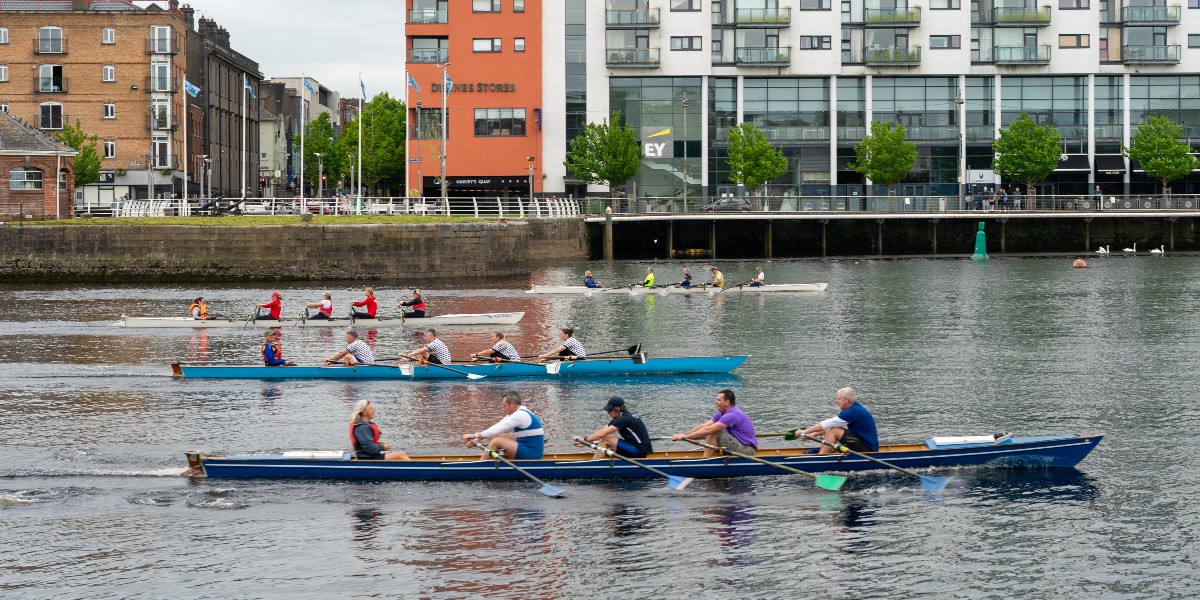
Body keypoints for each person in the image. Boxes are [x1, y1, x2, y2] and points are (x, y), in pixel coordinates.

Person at [671, 389, 757, 457]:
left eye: (718, 400)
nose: (716, 402)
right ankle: (708, 456)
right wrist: (684, 434)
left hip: (747, 450)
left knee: (715, 431)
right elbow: (705, 425)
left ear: (727, 402)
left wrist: (686, 437)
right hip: (737, 444)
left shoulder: (733, 414)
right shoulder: (722, 413)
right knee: (711, 429)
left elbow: (709, 430)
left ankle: (705, 460)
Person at [461, 391, 544, 460]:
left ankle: (479, 466)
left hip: (533, 454)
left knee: (496, 441)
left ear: (512, 404)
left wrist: (473, 435)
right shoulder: (519, 412)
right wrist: (477, 439)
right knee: (500, 435)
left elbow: (495, 430)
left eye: (505, 406)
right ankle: (490, 458)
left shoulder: (520, 415)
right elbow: (497, 427)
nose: (504, 408)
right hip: (526, 447)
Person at [799, 387, 879, 454]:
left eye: (839, 399)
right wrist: (812, 435)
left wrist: (805, 432)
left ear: (846, 400)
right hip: (860, 444)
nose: (836, 401)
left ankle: (819, 458)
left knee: (833, 431)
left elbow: (828, 424)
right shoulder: (853, 409)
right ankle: (822, 453)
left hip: (868, 450)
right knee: (832, 430)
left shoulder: (853, 411)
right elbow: (832, 425)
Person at [574, 396, 652, 459]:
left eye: (609, 410)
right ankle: (598, 460)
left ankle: (593, 466)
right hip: (636, 448)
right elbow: (604, 430)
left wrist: (584, 440)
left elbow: (602, 433)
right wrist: (586, 442)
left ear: (616, 409)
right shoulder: (622, 416)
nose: (608, 413)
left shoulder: (625, 419)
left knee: (605, 439)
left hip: (639, 452)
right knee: (605, 437)